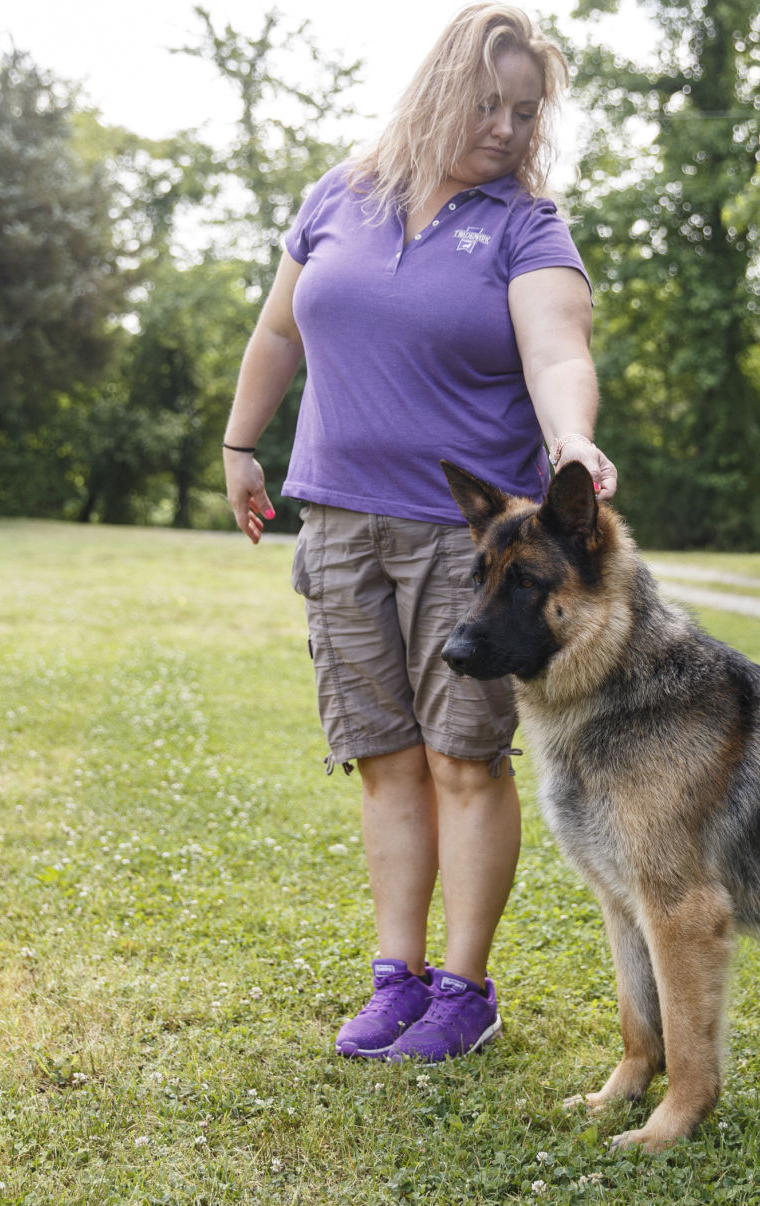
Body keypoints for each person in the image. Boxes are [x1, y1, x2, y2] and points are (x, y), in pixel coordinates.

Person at [220, 3, 615, 1064]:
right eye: (487, 102)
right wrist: (239, 444)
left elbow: (554, 348)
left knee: (462, 761)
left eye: (524, 110)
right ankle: (394, 978)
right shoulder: (338, 197)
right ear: (438, 87)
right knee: (385, 758)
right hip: (339, 523)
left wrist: (571, 435)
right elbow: (276, 329)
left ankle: (463, 988)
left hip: (469, 548)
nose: (504, 125)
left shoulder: (527, 225)